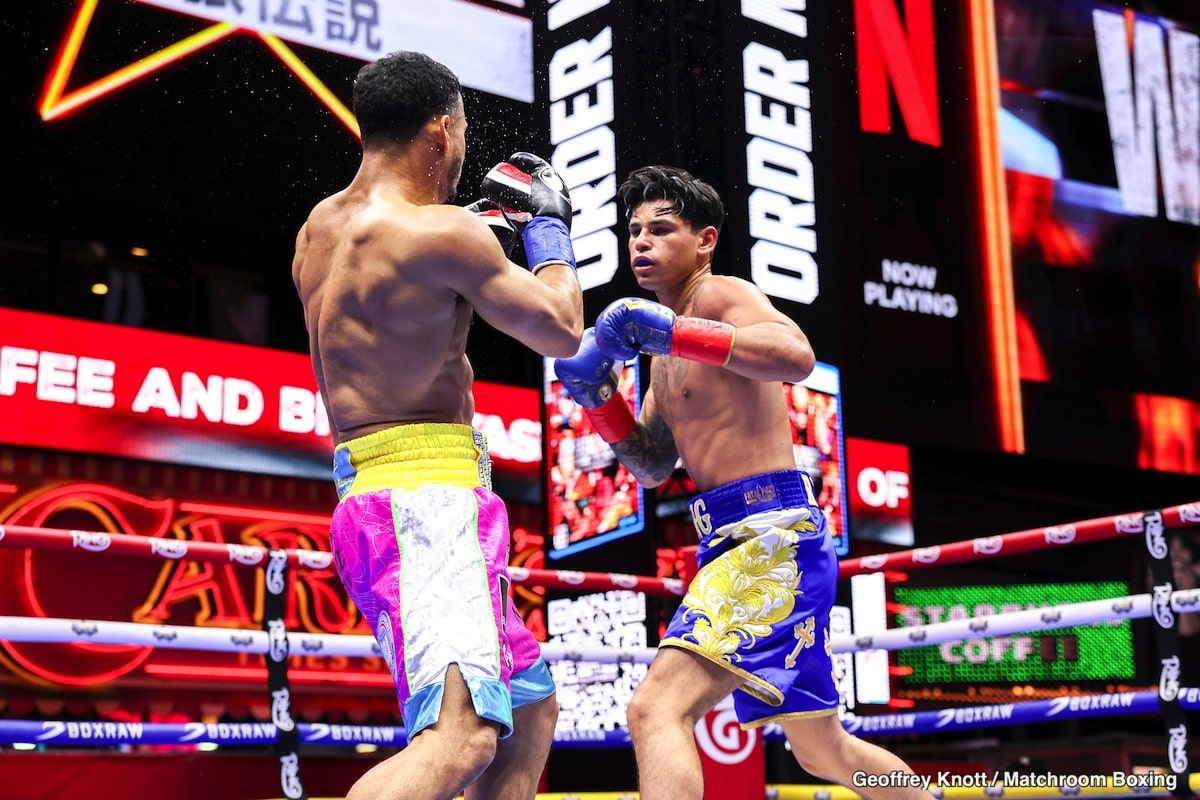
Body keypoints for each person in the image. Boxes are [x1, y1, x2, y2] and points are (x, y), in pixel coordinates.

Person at [553, 165, 932, 799]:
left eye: (661, 229)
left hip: (770, 536)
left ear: (705, 240)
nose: (641, 241)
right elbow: (652, 464)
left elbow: (796, 355)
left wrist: (673, 330)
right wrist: (599, 398)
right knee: (821, 749)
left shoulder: (720, 295)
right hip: (735, 540)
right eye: (634, 230)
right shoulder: (662, 355)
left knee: (656, 709)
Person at [292, 51, 583, 800]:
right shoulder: (443, 233)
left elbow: (405, 302)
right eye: (462, 133)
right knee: (461, 739)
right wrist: (550, 230)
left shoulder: (319, 229)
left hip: (378, 498)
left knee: (529, 704)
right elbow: (561, 328)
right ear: (441, 130)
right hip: (427, 506)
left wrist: (481, 231)